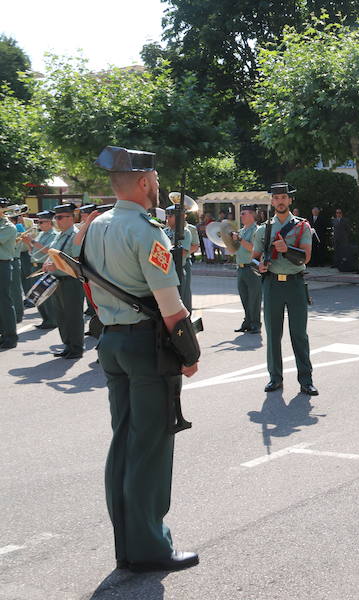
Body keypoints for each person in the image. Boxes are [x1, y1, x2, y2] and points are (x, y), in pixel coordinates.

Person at [86, 145, 200, 572]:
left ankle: (127, 545)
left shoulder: (95, 226)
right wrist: (189, 353)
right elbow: (170, 306)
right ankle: (150, 547)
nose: (157, 186)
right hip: (146, 348)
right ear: (143, 182)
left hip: (112, 342)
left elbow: (88, 288)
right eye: (154, 180)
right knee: (150, 447)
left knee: (124, 441)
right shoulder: (147, 230)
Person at [252, 182, 316, 395]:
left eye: (284, 198)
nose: (280, 201)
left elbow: (306, 257)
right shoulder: (263, 229)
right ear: (272, 201)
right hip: (272, 284)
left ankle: (306, 380)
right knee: (273, 334)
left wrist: (287, 250)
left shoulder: (302, 226)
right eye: (276, 198)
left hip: (295, 283)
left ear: (290, 200)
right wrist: (259, 266)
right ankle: (275, 378)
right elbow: (254, 258)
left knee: (299, 334)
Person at [43, 203, 85, 359]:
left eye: (60, 217)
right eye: (56, 217)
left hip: (71, 281)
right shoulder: (60, 235)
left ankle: (76, 348)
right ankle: (68, 345)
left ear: (71, 218)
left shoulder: (75, 235)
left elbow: (76, 259)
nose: (57, 221)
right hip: (58, 279)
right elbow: (53, 253)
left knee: (73, 315)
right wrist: (47, 263)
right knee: (61, 316)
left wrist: (55, 265)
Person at [21, 210, 58, 329]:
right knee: (37, 296)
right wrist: (28, 244)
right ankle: (46, 320)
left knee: (47, 297)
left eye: (42, 222)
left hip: (44, 266)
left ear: (50, 222)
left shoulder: (54, 235)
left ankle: (52, 320)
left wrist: (32, 241)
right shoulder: (41, 234)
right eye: (38, 222)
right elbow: (34, 251)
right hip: (35, 265)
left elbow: (47, 251)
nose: (39, 224)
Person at [164, 202, 200, 312]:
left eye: (170, 216)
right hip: (168, 268)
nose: (167, 219)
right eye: (167, 216)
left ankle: (186, 318)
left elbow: (184, 251)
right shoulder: (165, 231)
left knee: (183, 296)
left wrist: (167, 252)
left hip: (180, 266)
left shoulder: (185, 232)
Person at [233, 204, 261, 334]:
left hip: (252, 268)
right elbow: (234, 249)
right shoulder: (241, 231)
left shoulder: (257, 230)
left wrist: (239, 239)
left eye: (244, 213)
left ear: (252, 215)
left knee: (254, 298)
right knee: (244, 297)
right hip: (241, 268)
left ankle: (255, 324)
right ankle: (247, 322)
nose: (241, 216)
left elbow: (253, 248)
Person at [0, 199, 17, 349]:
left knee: (4, 301)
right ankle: (2, 334)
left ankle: (11, 336)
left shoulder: (8, 226)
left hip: (2, 265)